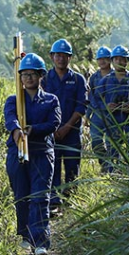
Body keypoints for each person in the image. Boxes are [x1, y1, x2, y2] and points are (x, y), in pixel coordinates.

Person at [4, 52, 62, 255]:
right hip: (16, 153)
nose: (28, 78)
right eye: (25, 74)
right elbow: (10, 119)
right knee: (22, 196)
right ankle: (25, 237)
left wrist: (32, 129)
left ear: (40, 76)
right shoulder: (13, 101)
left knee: (40, 196)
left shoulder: (50, 100)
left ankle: (40, 240)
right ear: (20, 77)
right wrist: (17, 131)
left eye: (33, 74)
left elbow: (53, 124)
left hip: (42, 154)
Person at [40, 39, 88, 215]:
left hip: (72, 133)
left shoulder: (78, 79)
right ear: (52, 57)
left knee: (72, 167)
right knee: (52, 167)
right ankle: (54, 202)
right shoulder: (44, 79)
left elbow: (81, 107)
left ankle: (70, 201)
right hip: (50, 133)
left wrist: (66, 127)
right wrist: (51, 128)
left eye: (64, 55)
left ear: (70, 58)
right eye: (57, 55)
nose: (60, 58)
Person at [97, 45, 129, 169]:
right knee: (112, 150)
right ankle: (113, 176)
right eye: (117, 59)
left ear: (127, 61)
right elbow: (96, 101)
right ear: (112, 61)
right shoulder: (105, 81)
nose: (119, 62)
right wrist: (106, 107)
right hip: (112, 121)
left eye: (122, 59)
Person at [85, 46, 114, 173]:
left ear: (110, 60)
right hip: (97, 113)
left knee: (111, 143)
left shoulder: (116, 76)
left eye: (105, 59)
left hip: (113, 115)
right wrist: (87, 116)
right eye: (99, 59)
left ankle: (113, 170)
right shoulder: (94, 78)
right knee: (96, 142)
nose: (102, 62)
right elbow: (91, 98)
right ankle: (105, 163)